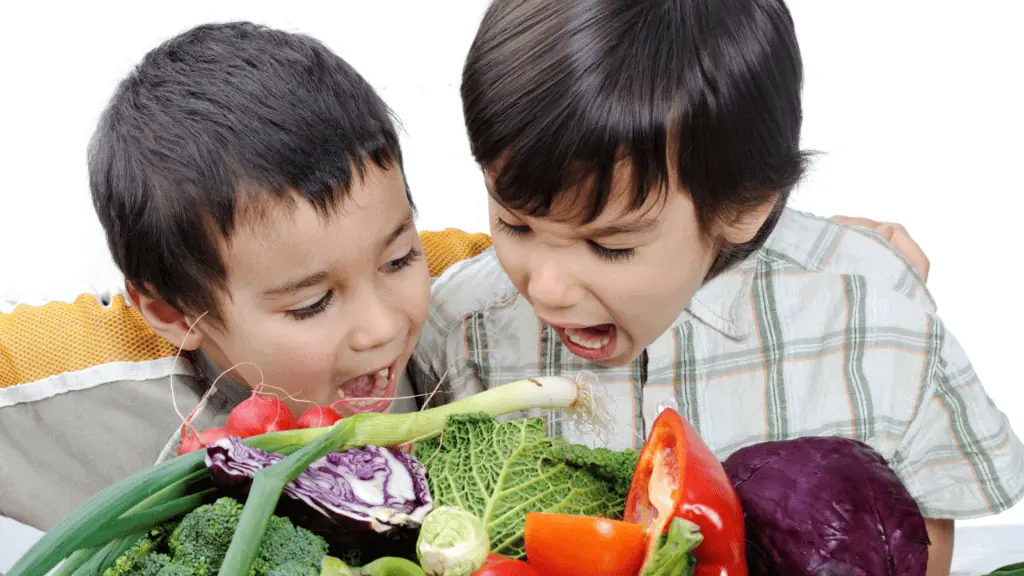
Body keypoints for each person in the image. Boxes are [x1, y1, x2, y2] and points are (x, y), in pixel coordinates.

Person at [409, 0, 1024, 573]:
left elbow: (924, 532)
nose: (545, 288)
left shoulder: (872, 307)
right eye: (514, 223)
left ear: (745, 208)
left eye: (612, 245)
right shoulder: (461, 327)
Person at [0, 21, 429, 530]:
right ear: (173, 313)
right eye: (311, 302)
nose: (381, 327)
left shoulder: (476, 289)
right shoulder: (80, 383)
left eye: (399, 259)